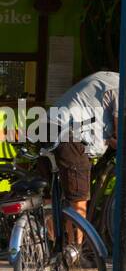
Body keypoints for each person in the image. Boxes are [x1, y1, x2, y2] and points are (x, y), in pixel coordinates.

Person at [46, 70, 119, 234]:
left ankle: (49, 250)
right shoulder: (123, 88)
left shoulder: (106, 78)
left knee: (50, 197)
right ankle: (76, 255)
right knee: (78, 200)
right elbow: (123, 132)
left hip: (48, 125)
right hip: (70, 134)